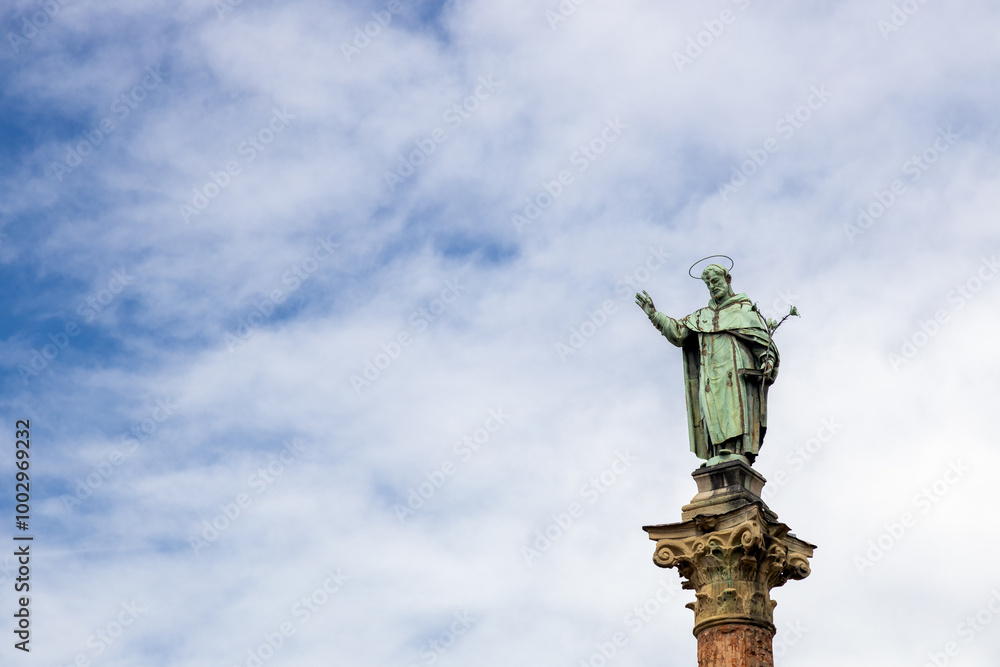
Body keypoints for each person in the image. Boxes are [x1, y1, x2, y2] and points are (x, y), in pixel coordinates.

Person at [635, 264, 777, 465]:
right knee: (713, 410)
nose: (712, 286)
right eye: (708, 284)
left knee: (735, 408)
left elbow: (761, 344)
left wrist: (767, 360)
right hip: (710, 375)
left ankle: (738, 451)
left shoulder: (744, 310)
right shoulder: (702, 316)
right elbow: (678, 334)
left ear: (727, 279)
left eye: (715, 281)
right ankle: (717, 453)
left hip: (736, 372)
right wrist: (654, 314)